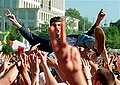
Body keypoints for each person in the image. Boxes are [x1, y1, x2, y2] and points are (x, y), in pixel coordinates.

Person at [6, 9, 105, 56]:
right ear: (51, 28)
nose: (57, 28)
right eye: (54, 25)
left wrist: (98, 21)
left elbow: (90, 33)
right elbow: (31, 37)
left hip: (76, 54)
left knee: (83, 37)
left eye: (59, 25)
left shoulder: (73, 38)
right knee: (51, 55)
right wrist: (16, 23)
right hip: (61, 65)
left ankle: (96, 46)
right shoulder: (48, 44)